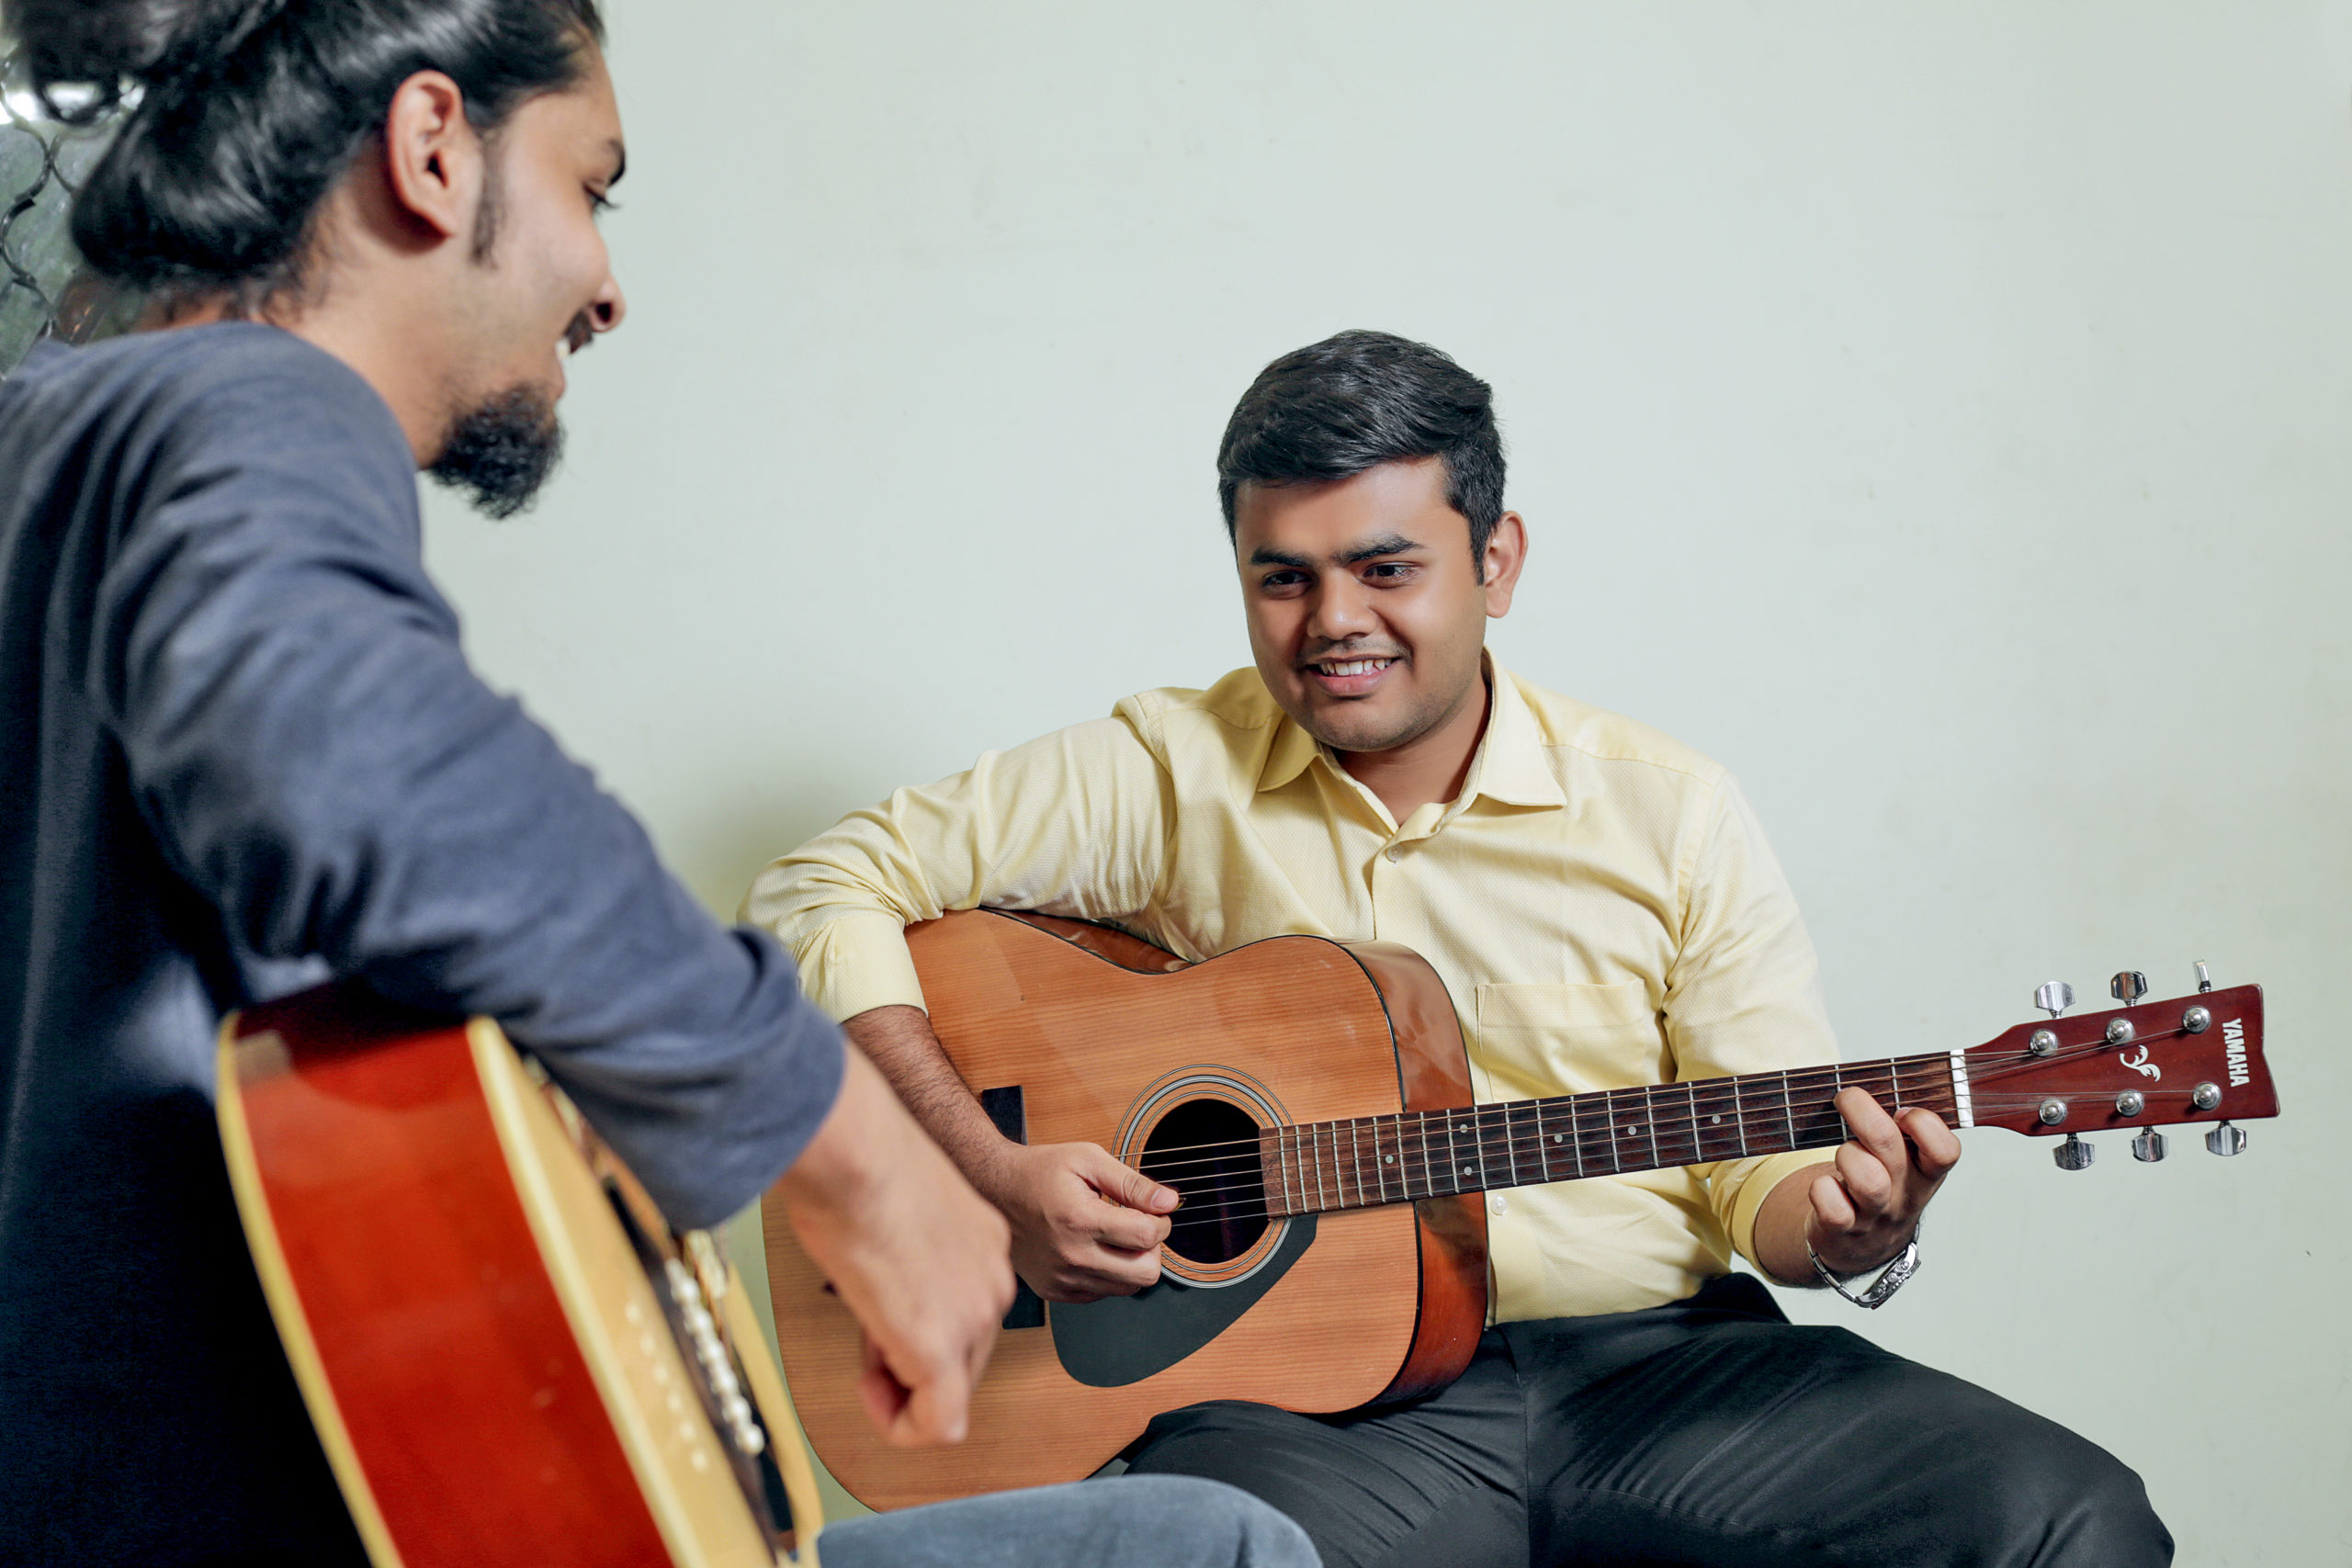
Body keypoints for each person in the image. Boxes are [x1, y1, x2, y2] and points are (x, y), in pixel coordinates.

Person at [0, 4, 1317, 1565]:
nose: (607, 287)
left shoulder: (49, 429)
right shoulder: (248, 404)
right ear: (432, 150)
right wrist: (846, 1135)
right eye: (591, 186)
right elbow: (344, 754)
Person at [744, 329, 2176, 1567]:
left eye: (1385, 568)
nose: (1333, 623)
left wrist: (1853, 1228)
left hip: (1662, 1376)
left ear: (1497, 563)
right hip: (1316, 1417)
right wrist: (986, 1174)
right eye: (1282, 579)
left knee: (2069, 1520)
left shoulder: (1671, 812)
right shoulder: (1174, 770)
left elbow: (1764, 1185)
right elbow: (816, 888)